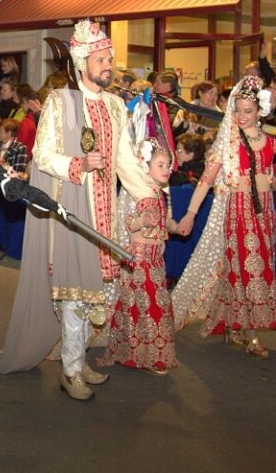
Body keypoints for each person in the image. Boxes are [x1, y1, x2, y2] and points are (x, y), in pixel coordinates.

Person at [0, 20, 155, 402]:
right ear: (81, 61)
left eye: (110, 58)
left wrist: (147, 196)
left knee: (100, 292)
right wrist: (78, 165)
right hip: (73, 210)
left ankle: (80, 358)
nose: (109, 64)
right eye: (102, 58)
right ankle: (71, 370)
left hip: (106, 214)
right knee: (76, 294)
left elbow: (126, 161)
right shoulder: (61, 101)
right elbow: (43, 154)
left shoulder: (116, 106)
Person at [172, 76, 276, 358]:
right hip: (239, 212)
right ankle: (250, 333)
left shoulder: (270, 142)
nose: (242, 116)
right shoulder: (227, 146)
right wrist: (190, 214)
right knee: (245, 269)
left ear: (260, 112)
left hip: (265, 212)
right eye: (238, 109)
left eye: (248, 110)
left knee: (260, 269)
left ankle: (237, 324)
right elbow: (205, 182)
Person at [97, 141, 178, 375]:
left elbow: (161, 225)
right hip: (140, 257)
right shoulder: (139, 193)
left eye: (168, 165)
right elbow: (129, 223)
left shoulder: (158, 192)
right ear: (146, 167)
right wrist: (145, 220)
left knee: (149, 305)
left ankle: (137, 353)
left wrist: (172, 227)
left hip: (155, 258)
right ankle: (151, 356)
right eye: (160, 164)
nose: (166, 169)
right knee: (146, 307)